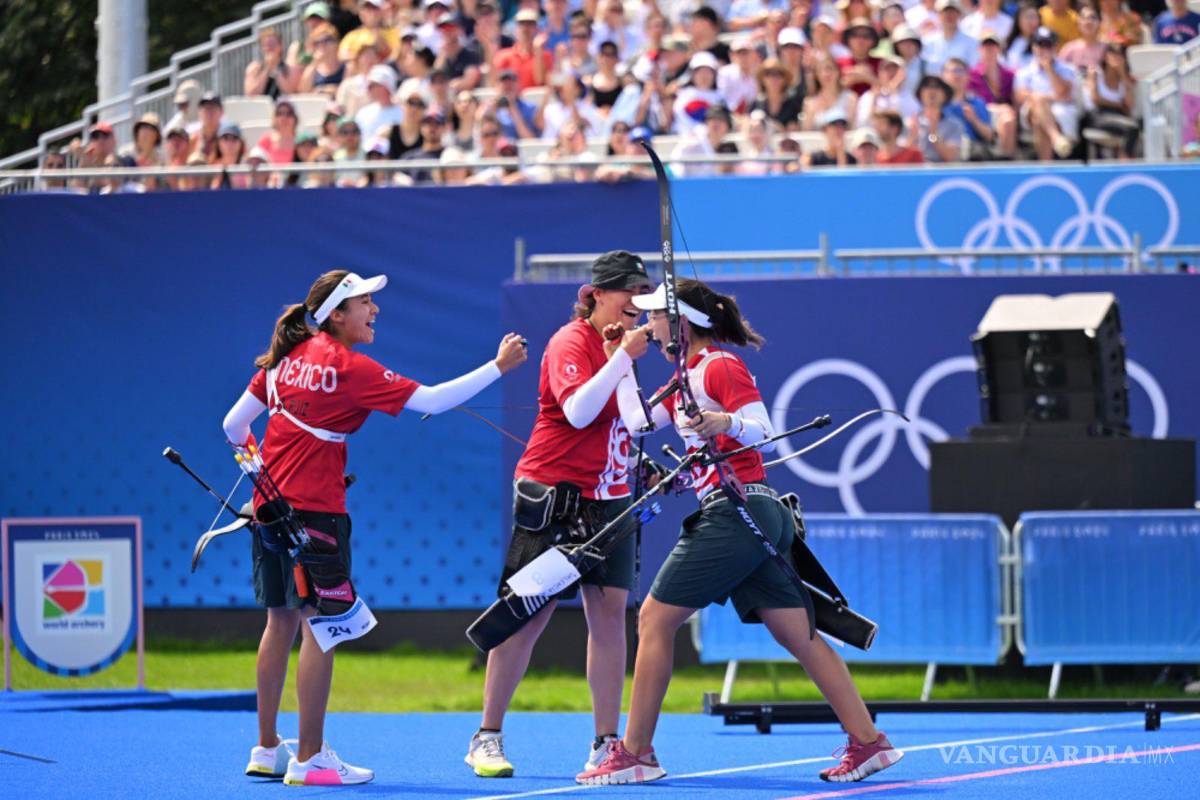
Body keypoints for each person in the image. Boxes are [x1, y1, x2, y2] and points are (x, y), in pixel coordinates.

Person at [575, 277, 902, 786]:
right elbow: (638, 424)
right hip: (748, 514)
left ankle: (636, 752)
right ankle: (869, 743)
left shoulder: (720, 366)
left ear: (681, 323)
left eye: (657, 316)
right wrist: (621, 359)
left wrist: (720, 420)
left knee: (656, 619)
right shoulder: (684, 377)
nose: (649, 324)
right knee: (798, 633)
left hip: (739, 510)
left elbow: (764, 432)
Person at [223, 270, 527, 785]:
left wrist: (259, 474)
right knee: (323, 627)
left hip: (269, 512)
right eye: (365, 301)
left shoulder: (283, 362)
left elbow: (233, 427)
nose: (375, 310)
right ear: (337, 314)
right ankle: (312, 758)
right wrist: (498, 367)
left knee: (279, 623)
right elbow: (431, 401)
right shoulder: (346, 365)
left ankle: (269, 748)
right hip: (317, 515)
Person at [465, 252, 653, 779]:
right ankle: (487, 735)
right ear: (596, 295)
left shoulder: (621, 346)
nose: (638, 303)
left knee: (610, 617)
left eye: (643, 293)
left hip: (610, 498)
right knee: (526, 615)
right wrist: (621, 357)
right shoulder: (572, 341)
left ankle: (605, 744)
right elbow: (577, 411)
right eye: (629, 293)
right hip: (556, 499)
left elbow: (629, 420)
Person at [1014, 26, 1078, 160]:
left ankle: (1046, 167)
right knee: (1038, 101)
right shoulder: (1024, 71)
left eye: (1047, 45)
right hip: (1030, 110)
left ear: (1055, 47)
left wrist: (1049, 68)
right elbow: (1020, 96)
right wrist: (1048, 98)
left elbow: (1064, 91)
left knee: (1039, 120)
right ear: (1033, 47)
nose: (1043, 49)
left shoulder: (1067, 68)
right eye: (1039, 44)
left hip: (1058, 112)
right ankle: (1056, 138)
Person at [245, 27, 300, 99]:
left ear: (280, 46)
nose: (270, 48)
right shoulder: (254, 68)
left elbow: (290, 92)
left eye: (273, 44)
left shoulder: (289, 68)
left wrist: (276, 69)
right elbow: (251, 95)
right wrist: (267, 69)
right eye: (267, 45)